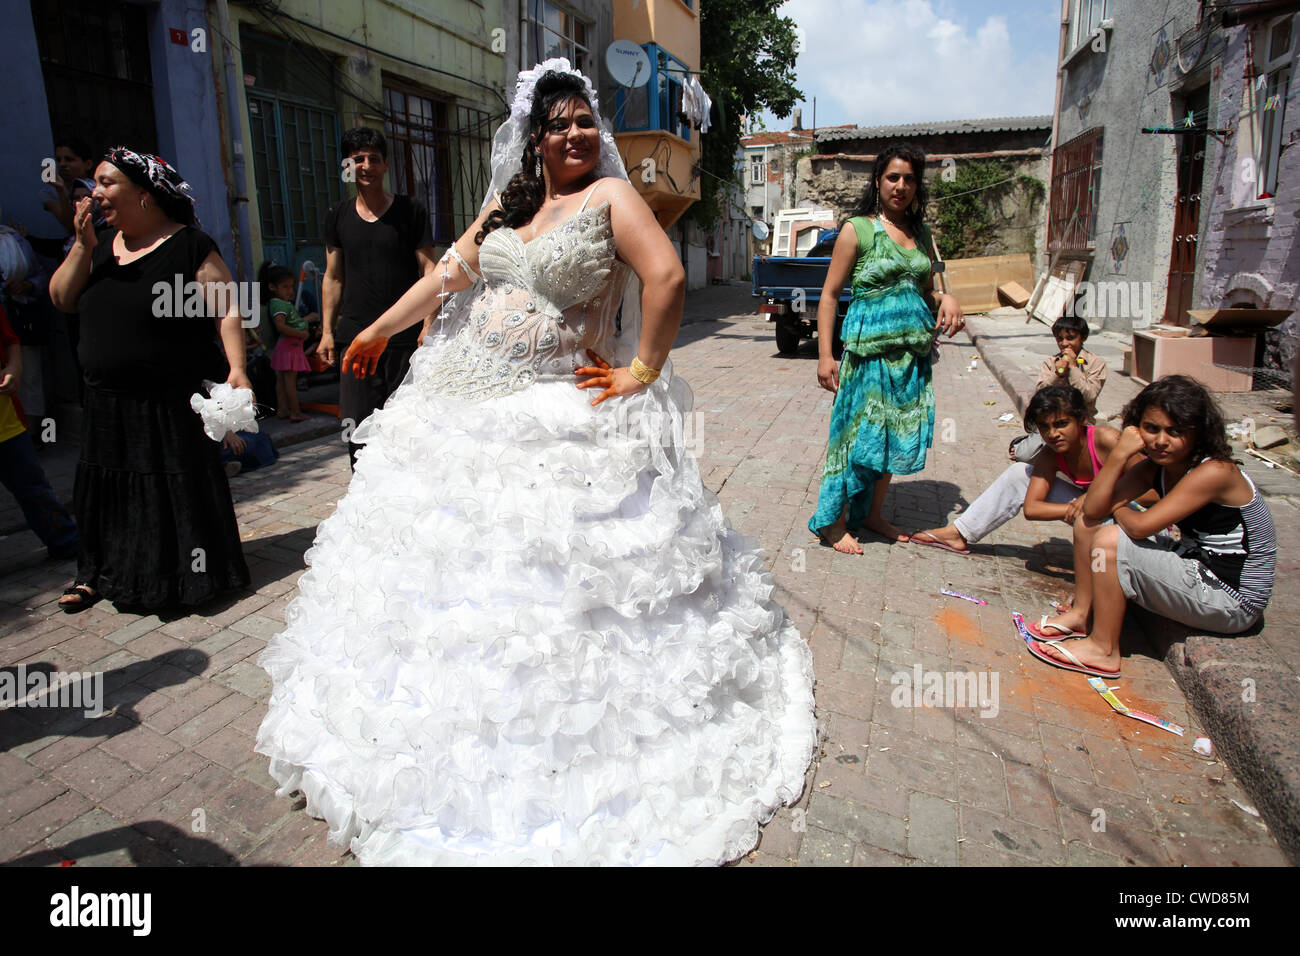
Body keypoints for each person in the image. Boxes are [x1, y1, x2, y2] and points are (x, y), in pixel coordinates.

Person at [255, 61, 816, 866]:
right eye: (559, 124)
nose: (576, 133)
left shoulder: (612, 199)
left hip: (557, 409)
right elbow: (448, 276)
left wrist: (642, 371)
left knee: (549, 594)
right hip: (458, 397)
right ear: (535, 140)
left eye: (585, 119)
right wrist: (377, 328)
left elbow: (664, 277)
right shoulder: (509, 208)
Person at [48, 147, 252, 612]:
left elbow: (226, 308)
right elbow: (61, 299)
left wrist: (236, 368)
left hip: (169, 401)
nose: (94, 192)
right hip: (105, 401)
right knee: (109, 492)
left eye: (106, 183)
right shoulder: (97, 245)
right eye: (95, 183)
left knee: (169, 489)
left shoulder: (189, 245)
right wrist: (82, 246)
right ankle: (97, 572)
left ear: (144, 194)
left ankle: (183, 576)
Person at [1028, 376, 1277, 679]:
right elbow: (1092, 509)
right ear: (1136, 428)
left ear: (1198, 432)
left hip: (1231, 600)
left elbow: (1140, 527)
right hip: (1194, 565)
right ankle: (1081, 612)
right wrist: (1120, 454)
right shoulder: (1154, 468)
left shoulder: (1214, 471)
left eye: (1175, 431)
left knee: (1109, 538)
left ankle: (1103, 649)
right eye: (1152, 429)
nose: (1161, 440)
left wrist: (1116, 506)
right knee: (1088, 524)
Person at [809, 143, 965, 554]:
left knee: (895, 436)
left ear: (918, 185)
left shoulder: (922, 234)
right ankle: (834, 522)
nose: (901, 186)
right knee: (856, 436)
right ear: (878, 182)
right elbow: (829, 296)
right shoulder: (857, 229)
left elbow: (930, 288)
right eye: (893, 177)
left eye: (909, 179)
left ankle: (874, 514)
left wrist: (947, 299)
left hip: (912, 358)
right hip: (868, 356)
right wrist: (826, 356)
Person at [319, 128, 437, 468]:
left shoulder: (410, 211)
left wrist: (427, 322)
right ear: (347, 166)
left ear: (386, 165)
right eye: (358, 159)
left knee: (406, 424)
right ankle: (362, 498)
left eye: (373, 158)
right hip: (355, 338)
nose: (366, 165)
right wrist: (327, 331)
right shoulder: (337, 216)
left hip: (404, 339)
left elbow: (430, 269)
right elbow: (333, 276)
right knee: (355, 428)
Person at [913, 385, 1141, 557]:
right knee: (1020, 473)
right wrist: (1076, 506)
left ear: (1081, 420)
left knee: (1093, 522)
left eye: (1061, 424)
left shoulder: (1108, 439)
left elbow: (1153, 489)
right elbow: (1032, 509)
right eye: (1045, 427)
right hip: (1090, 511)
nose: (1053, 434)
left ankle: (1092, 594)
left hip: (1130, 513)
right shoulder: (1051, 452)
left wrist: (1095, 499)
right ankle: (960, 533)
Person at [0, 303, 77, 559]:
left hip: (6, 423)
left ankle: (66, 542)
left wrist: (13, 369)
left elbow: (11, 342)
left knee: (34, 489)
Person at [260, 262, 311, 422]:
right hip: (291, 346)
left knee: (281, 381)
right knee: (290, 382)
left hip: (284, 346)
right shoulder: (280, 305)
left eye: (291, 286)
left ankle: (283, 409)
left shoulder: (277, 304)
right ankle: (295, 412)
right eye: (285, 287)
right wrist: (301, 334)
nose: (290, 291)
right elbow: (280, 326)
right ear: (272, 287)